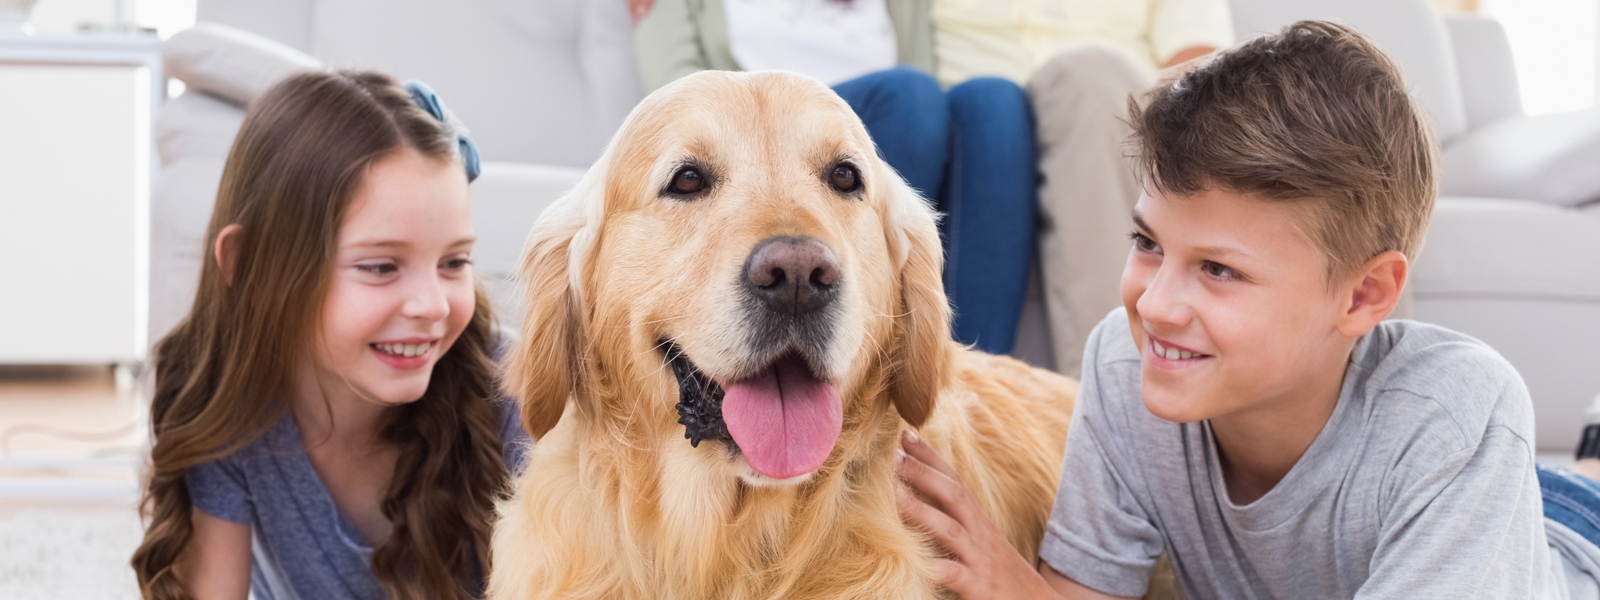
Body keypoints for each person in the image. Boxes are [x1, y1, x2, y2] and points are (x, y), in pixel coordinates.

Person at [896, 21, 1600, 599]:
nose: (1157, 303)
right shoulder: (1126, 361)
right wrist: (1012, 583)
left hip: (1565, 538)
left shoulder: (1453, 412)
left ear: (1364, 295)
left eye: (1219, 269)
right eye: (1147, 242)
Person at [130, 70, 529, 600]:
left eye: (454, 262)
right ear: (252, 268)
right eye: (382, 267)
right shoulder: (221, 401)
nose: (432, 305)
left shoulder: (513, 385)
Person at [633, 0, 1038, 355]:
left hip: (876, 132)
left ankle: (964, 378)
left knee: (995, 104)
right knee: (910, 95)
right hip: (755, 143)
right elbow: (675, 103)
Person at [930, 0, 1233, 376]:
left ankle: (1115, 389)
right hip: (974, 127)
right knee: (990, 114)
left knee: (1086, 84)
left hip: (1112, 117)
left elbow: (1200, 65)